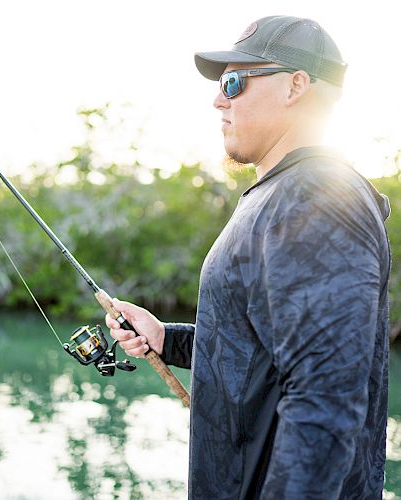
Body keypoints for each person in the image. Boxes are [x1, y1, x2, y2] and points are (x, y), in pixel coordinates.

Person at [106, 15, 391, 499]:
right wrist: (166, 339)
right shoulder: (281, 193)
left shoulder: (318, 197)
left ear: (296, 85)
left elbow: (324, 405)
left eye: (234, 82)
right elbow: (262, 353)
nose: (218, 99)